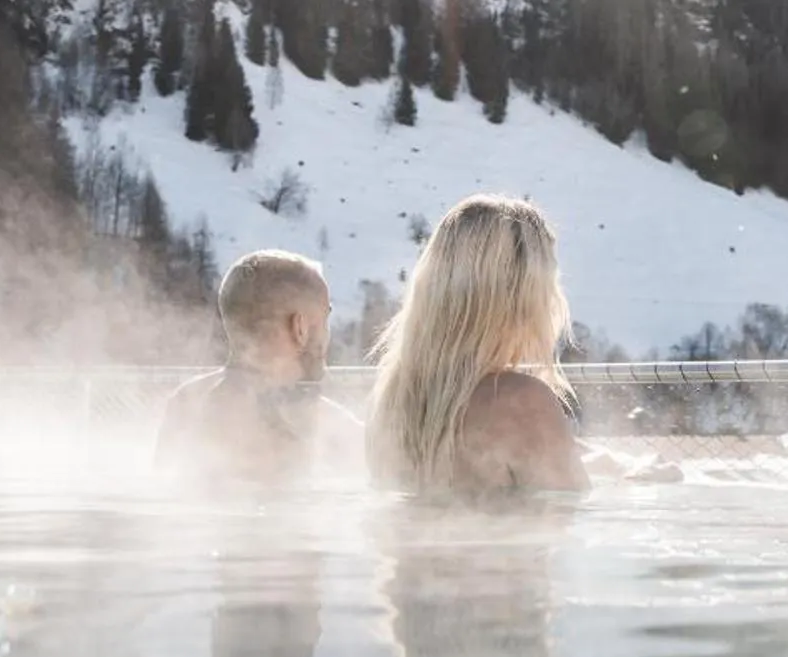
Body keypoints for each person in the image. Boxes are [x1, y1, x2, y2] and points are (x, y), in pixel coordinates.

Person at [365, 195, 589, 497]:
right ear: (519, 296)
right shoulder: (520, 401)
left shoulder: (391, 403)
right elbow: (572, 515)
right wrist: (640, 480)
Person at [155, 249, 362, 487]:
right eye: (325, 319)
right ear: (300, 328)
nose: (327, 336)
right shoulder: (329, 428)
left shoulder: (184, 404)